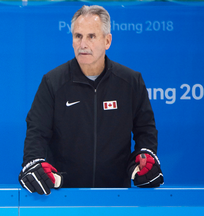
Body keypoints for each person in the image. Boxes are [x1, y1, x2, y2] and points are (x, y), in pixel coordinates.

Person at [19, 5, 164, 195]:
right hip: (64, 196)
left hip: (117, 196)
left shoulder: (130, 82)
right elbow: (36, 132)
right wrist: (34, 162)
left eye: (91, 36)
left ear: (107, 41)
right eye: (78, 36)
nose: (83, 44)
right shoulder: (52, 82)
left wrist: (146, 157)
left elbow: (145, 130)